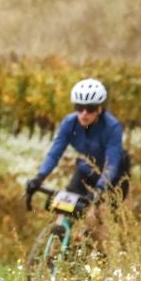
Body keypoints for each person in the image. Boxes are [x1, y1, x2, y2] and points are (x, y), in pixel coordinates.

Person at [25, 77, 128, 208]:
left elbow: (111, 165)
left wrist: (100, 189)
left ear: (99, 109)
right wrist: (39, 177)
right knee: (64, 208)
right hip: (86, 170)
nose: (84, 113)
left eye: (90, 109)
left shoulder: (112, 127)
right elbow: (54, 154)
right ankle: (62, 227)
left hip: (114, 177)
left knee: (100, 217)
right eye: (79, 108)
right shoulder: (69, 123)